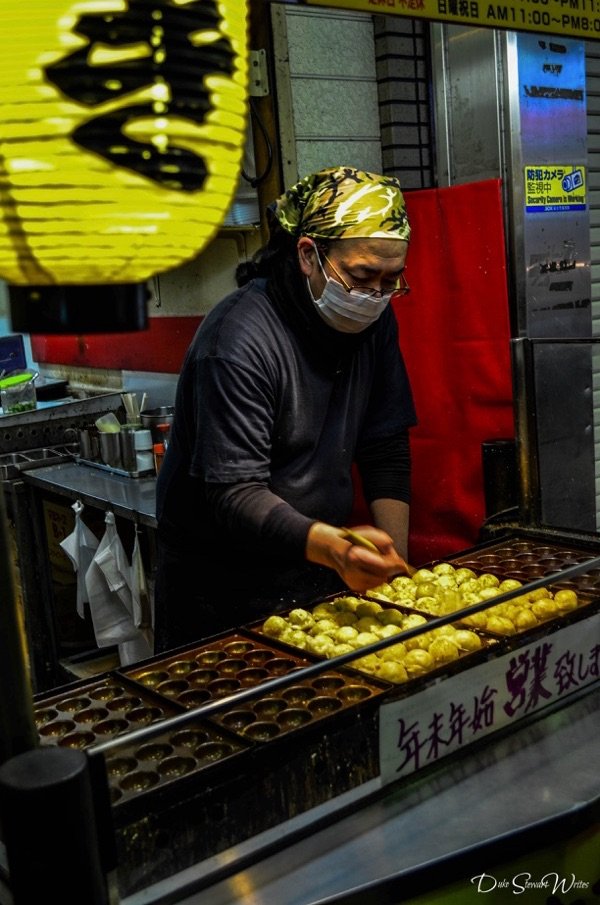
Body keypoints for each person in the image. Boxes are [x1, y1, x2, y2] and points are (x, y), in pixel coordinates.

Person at [154, 165, 417, 652]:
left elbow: (384, 445)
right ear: (308, 255)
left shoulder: (374, 320)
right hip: (220, 581)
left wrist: (395, 568)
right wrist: (338, 548)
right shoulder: (238, 340)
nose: (376, 294)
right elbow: (235, 493)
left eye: (391, 280)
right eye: (362, 276)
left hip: (316, 561)